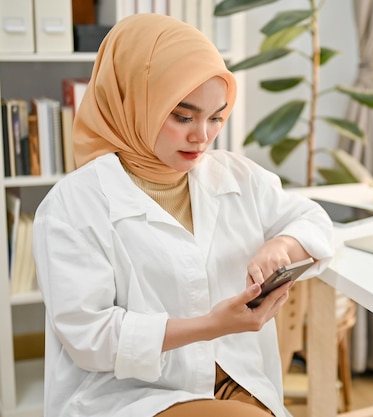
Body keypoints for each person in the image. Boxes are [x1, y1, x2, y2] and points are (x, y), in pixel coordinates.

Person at [32, 13, 334, 417]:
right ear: (133, 102)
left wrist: (284, 244)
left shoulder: (236, 176)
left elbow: (315, 221)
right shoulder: (73, 205)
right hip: (129, 394)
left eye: (216, 117)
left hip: (234, 381)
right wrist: (212, 325)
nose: (202, 136)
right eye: (183, 116)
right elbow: (92, 337)